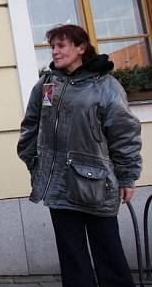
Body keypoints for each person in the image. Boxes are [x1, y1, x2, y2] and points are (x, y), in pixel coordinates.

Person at [17, 24, 141, 287]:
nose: (55, 51)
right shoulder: (47, 85)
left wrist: (127, 177)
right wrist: (35, 164)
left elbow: (124, 133)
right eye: (52, 46)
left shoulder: (107, 86)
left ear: (81, 48)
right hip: (59, 187)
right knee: (73, 261)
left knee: (109, 257)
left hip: (96, 187)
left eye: (61, 46)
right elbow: (30, 125)